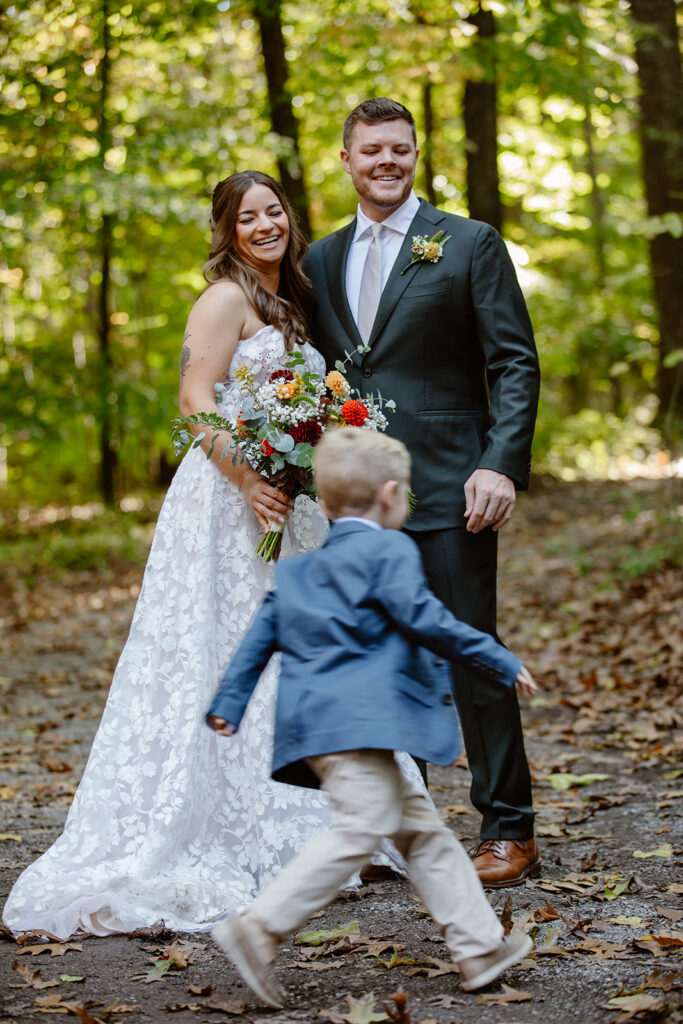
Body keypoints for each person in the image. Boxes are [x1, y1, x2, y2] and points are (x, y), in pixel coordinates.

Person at [2, 172, 406, 939]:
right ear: (225, 230)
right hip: (228, 497)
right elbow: (196, 398)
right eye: (246, 217)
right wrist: (252, 478)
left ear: (289, 218)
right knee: (217, 648)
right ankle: (211, 824)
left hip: (288, 500)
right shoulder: (224, 297)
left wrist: (304, 456)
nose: (264, 226)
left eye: (273, 212)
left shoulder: (288, 298)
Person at [206, 428, 536, 1009]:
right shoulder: (391, 550)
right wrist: (497, 657)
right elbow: (428, 619)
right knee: (360, 829)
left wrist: (228, 705)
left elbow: (261, 636)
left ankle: (480, 947)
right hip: (361, 728)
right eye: (407, 492)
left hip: (321, 733)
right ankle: (258, 929)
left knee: (424, 835)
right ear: (390, 496)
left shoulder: (303, 570)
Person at [305, 98, 542, 888]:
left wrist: (500, 461)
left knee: (470, 651)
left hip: (451, 483)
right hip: (355, 498)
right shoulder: (319, 261)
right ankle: (394, 831)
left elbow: (513, 361)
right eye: (370, 150)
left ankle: (508, 828)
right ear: (345, 159)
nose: (385, 162)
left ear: (415, 155)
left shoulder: (469, 243)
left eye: (398, 150)